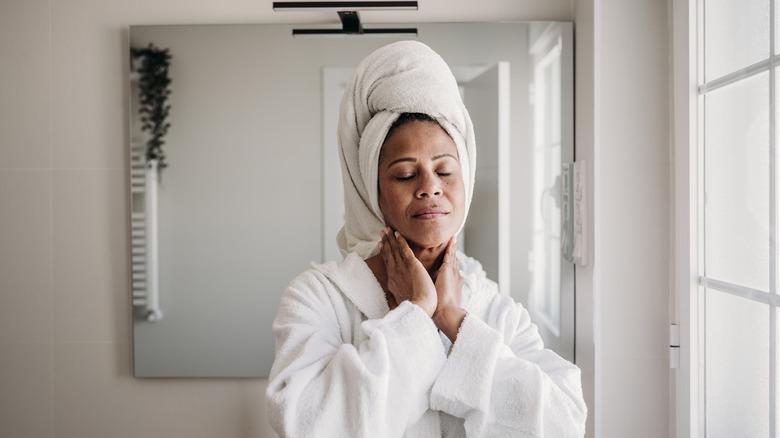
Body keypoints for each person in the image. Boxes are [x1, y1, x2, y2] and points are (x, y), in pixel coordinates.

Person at [265, 40, 587, 438]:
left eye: (445, 170)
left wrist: (453, 322)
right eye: (404, 174)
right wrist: (416, 314)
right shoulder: (318, 299)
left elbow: (564, 423)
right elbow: (307, 427)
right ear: (371, 191)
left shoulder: (494, 309)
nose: (430, 187)